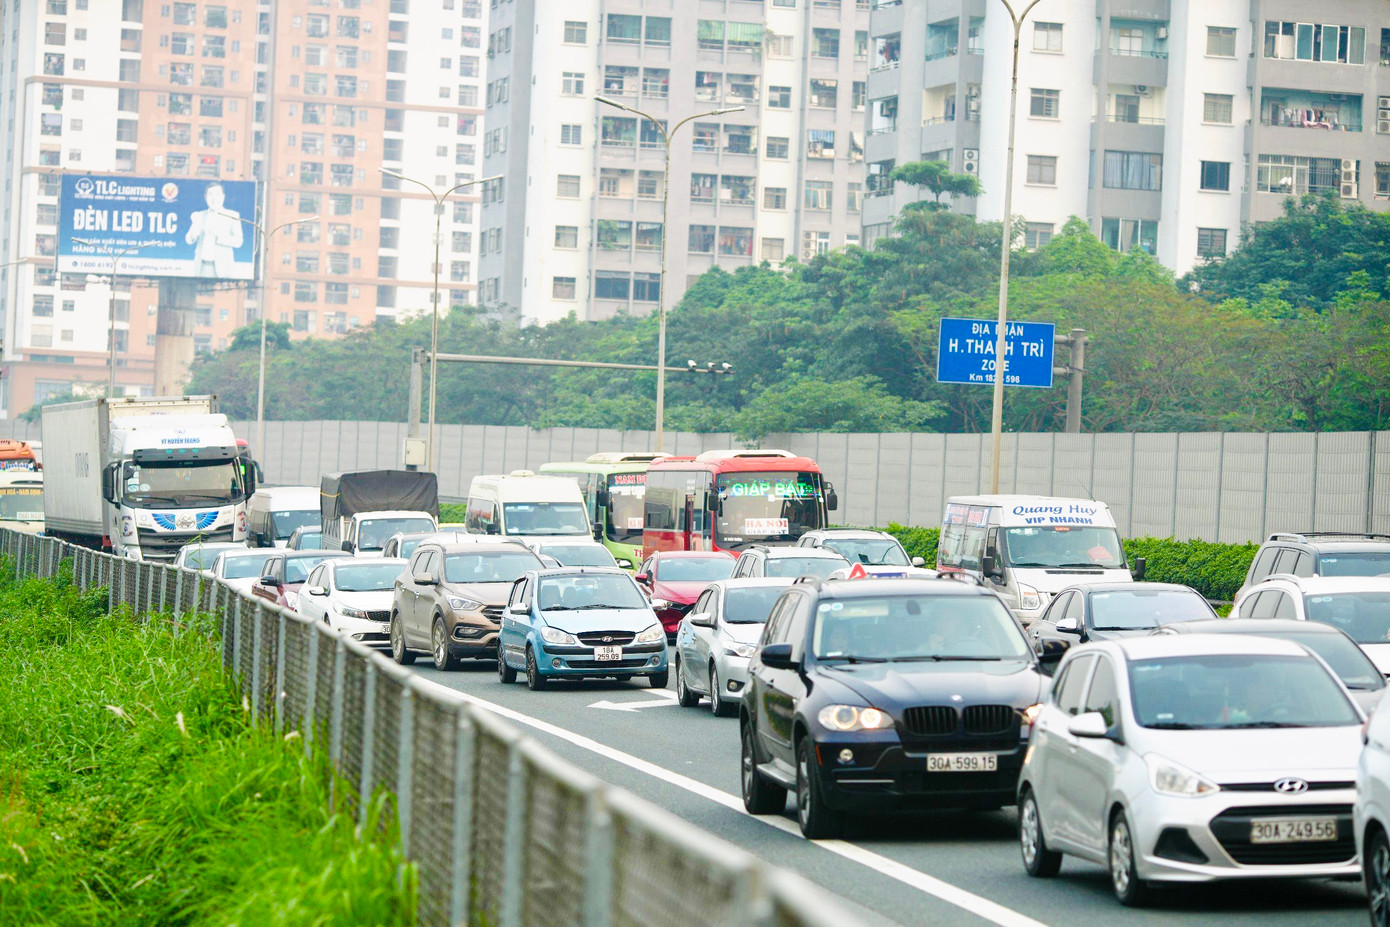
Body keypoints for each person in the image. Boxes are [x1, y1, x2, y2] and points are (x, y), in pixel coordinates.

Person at [185, 181, 244, 277]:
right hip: (201, 266)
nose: (214, 199)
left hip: (223, 267)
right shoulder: (199, 215)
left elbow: (239, 241)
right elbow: (188, 239)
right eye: (210, 195)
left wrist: (218, 236)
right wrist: (194, 232)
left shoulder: (232, 215)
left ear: (223, 197)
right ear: (205, 197)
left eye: (217, 194)